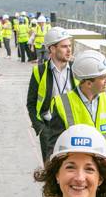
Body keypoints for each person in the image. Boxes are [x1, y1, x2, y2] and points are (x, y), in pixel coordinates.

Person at [45, 50, 106, 164]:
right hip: (80, 173)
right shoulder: (63, 103)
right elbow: (55, 144)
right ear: (88, 83)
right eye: (102, 77)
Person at [26, 26, 78, 164]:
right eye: (64, 46)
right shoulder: (40, 71)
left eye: (70, 46)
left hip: (72, 128)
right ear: (52, 49)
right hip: (49, 129)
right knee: (51, 171)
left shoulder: (76, 69)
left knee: (70, 170)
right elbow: (31, 103)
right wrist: (40, 129)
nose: (69, 50)